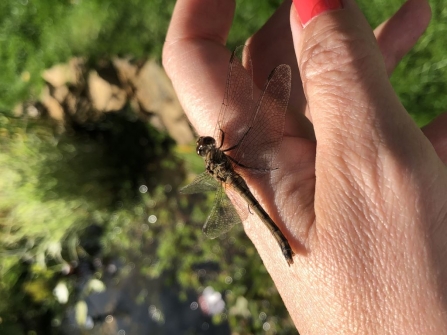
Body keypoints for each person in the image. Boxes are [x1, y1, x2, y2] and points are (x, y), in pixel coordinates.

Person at [163, 0, 447, 332]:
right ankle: (283, 241)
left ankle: (283, 243)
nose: (207, 145)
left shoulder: (216, 168)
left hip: (239, 180)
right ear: (214, 148)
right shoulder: (228, 147)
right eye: (207, 145)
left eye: (205, 144)